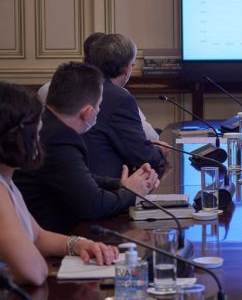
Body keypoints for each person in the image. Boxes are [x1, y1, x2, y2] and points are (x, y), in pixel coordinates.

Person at [14, 62, 159, 234]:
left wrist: (120, 184)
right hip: (51, 237)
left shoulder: (46, 122)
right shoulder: (59, 139)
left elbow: (81, 177)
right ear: (87, 112)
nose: (99, 110)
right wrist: (132, 192)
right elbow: (93, 205)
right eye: (99, 105)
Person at [0, 81, 118, 286]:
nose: (39, 142)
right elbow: (33, 272)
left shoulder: (7, 181)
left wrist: (79, 244)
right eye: (36, 134)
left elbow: (37, 236)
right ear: (15, 137)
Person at [37, 32, 160, 141]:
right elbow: (150, 137)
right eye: (132, 65)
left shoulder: (46, 88)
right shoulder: (118, 97)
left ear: (84, 60)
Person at [82, 33, 168, 178]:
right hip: (107, 184)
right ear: (127, 68)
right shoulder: (119, 98)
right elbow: (144, 157)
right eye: (132, 65)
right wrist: (160, 151)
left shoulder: (79, 86)